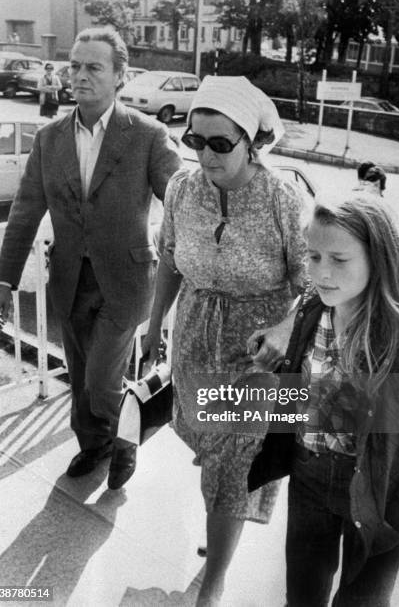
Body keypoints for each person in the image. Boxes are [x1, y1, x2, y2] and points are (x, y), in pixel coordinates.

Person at [0, 28, 181, 490]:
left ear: (120, 76)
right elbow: (25, 212)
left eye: (93, 67)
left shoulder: (149, 136)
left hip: (128, 278)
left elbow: (181, 206)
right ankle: (94, 446)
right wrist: (3, 282)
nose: (79, 75)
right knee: (80, 377)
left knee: (100, 375)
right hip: (70, 277)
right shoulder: (49, 138)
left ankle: (126, 439)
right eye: (74, 65)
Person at [142, 75, 308, 606]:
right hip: (194, 339)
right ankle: (221, 535)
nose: (206, 155)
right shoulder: (181, 189)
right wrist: (152, 328)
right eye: (195, 141)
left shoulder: (284, 196)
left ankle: (211, 588)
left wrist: (284, 329)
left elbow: (315, 285)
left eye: (220, 143)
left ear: (252, 141)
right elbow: (169, 260)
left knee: (234, 462)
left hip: (258, 351)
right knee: (214, 456)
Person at [257, 195, 399, 606]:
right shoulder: (310, 311)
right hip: (310, 478)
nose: (321, 272)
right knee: (302, 595)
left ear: (379, 260)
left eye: (339, 259)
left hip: (379, 494)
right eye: (314, 255)